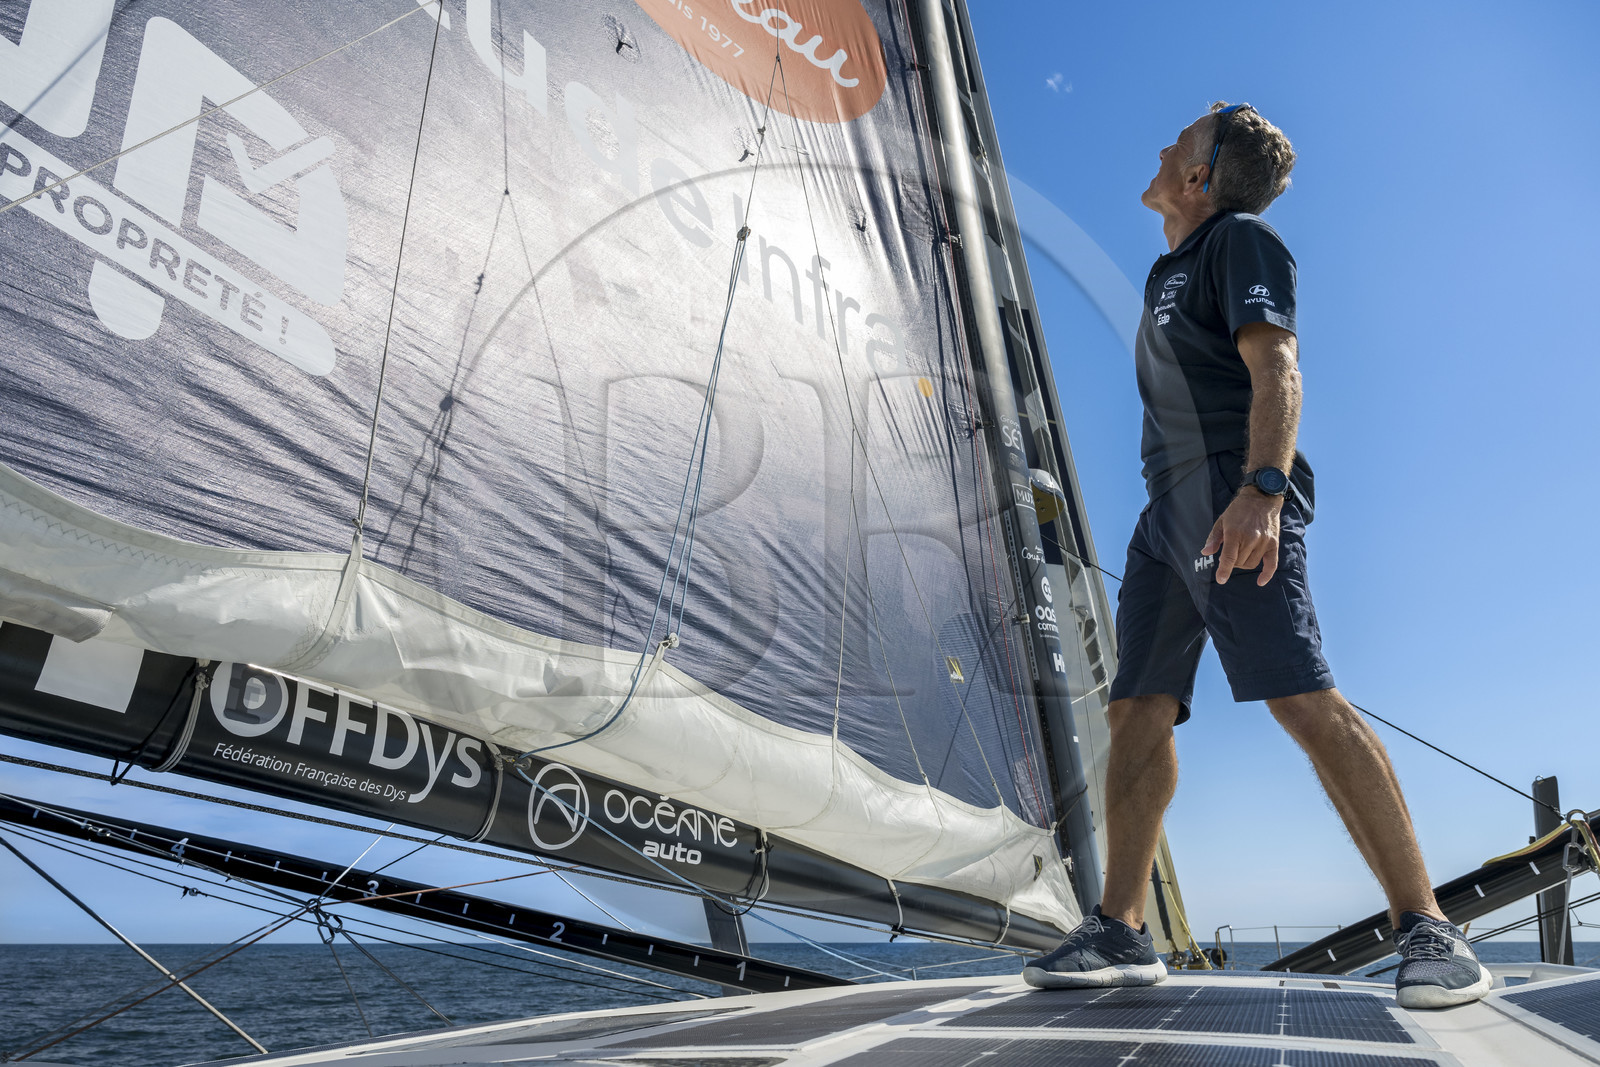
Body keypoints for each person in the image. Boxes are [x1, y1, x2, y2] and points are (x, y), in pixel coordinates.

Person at [1020, 102, 1491, 1010]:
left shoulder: (1240, 241)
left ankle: (1429, 925)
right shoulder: (1174, 265)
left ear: (1202, 176)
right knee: (1136, 712)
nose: (1162, 141)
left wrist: (1263, 490)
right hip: (1166, 517)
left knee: (1304, 701)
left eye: (1182, 137)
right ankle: (1120, 928)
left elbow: (1278, 366)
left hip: (1232, 501)